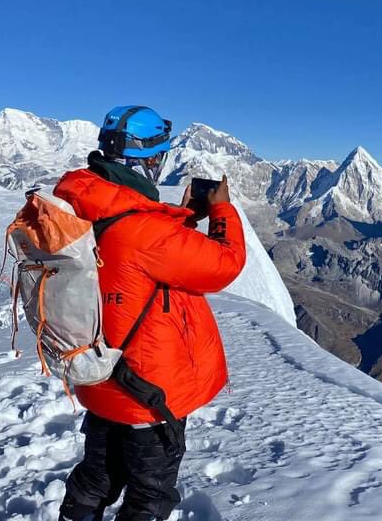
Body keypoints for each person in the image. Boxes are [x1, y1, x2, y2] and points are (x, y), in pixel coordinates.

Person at [53, 105, 246, 521]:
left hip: (100, 377)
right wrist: (222, 212)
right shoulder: (143, 230)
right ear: (149, 159)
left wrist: (181, 220)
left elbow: (135, 265)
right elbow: (224, 265)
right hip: (147, 391)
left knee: (96, 478)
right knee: (149, 497)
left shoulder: (80, 203)